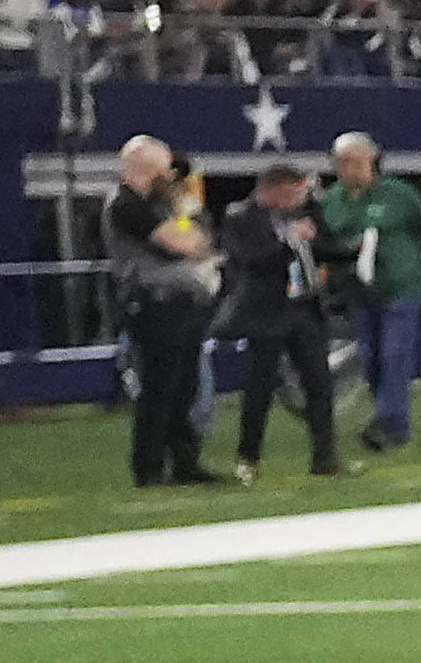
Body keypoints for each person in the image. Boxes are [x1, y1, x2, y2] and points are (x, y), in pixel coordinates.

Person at [214, 160, 344, 478]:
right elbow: (249, 260)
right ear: (274, 192)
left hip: (304, 307)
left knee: (319, 382)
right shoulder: (240, 216)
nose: (302, 199)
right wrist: (287, 242)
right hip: (265, 311)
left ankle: (325, 457)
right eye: (295, 193)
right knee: (261, 385)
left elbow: (325, 244)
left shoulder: (307, 211)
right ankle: (249, 457)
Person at [106, 133, 222, 489]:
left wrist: (186, 214)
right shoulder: (126, 204)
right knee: (159, 388)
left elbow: (199, 237)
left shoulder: (161, 203)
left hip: (183, 302)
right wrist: (191, 236)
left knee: (185, 385)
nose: (171, 175)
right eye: (165, 167)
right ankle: (150, 467)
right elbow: (182, 243)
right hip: (152, 302)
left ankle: (185, 461)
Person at [314, 129, 421, 451]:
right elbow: (324, 245)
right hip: (358, 291)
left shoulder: (399, 194)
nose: (349, 169)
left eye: (355, 162)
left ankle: (387, 424)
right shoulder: (331, 203)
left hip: (401, 285)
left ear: (373, 161)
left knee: (395, 354)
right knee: (371, 359)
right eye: (342, 162)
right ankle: (394, 423)